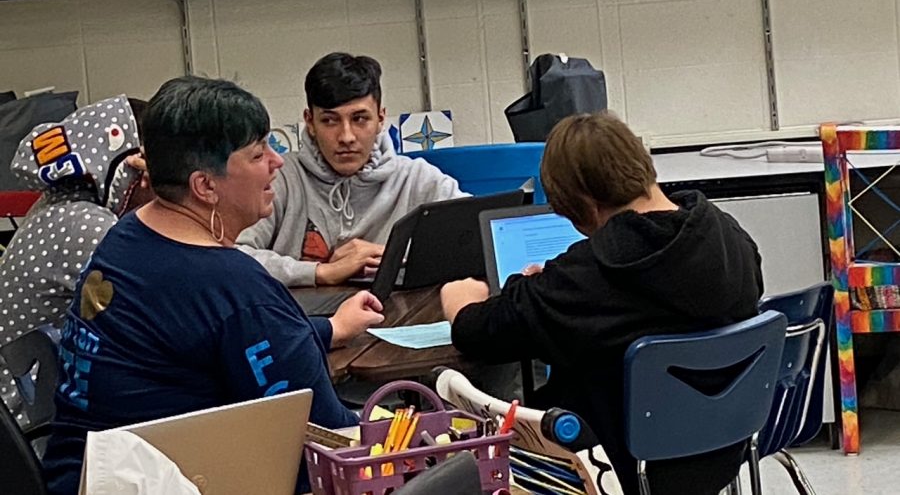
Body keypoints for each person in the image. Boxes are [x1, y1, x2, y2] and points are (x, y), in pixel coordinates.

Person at [41, 77, 385, 495]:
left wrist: (330, 328)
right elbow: (330, 445)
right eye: (259, 153)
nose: (277, 162)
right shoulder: (234, 289)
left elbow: (207, 338)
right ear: (205, 186)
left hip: (81, 475)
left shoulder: (128, 235)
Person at [441, 112, 764, 495]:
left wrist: (460, 301)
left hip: (611, 465)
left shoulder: (589, 277)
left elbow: (478, 332)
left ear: (584, 206)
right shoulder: (729, 237)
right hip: (724, 450)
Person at [238, 52, 465, 287]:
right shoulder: (278, 181)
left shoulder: (419, 180)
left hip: (399, 318)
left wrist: (392, 258)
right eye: (329, 120)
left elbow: (480, 242)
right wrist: (320, 272)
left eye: (359, 119)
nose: (346, 137)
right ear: (310, 122)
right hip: (304, 320)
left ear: (380, 118)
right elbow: (232, 256)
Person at [0, 95, 151, 425]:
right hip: (40, 433)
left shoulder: (57, 210)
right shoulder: (87, 226)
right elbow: (158, 306)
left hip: (28, 418)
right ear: (130, 166)